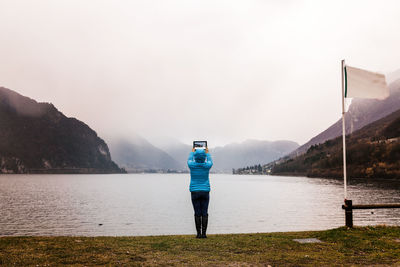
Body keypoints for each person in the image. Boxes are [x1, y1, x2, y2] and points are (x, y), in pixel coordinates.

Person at [187, 147, 213, 238]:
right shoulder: (207, 166)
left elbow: (189, 159)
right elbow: (210, 161)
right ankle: (204, 234)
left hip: (194, 191)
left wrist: (192, 152)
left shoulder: (191, 165)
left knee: (197, 212)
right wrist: (207, 153)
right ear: (204, 157)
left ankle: (198, 234)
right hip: (205, 191)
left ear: (195, 156)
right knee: (204, 212)